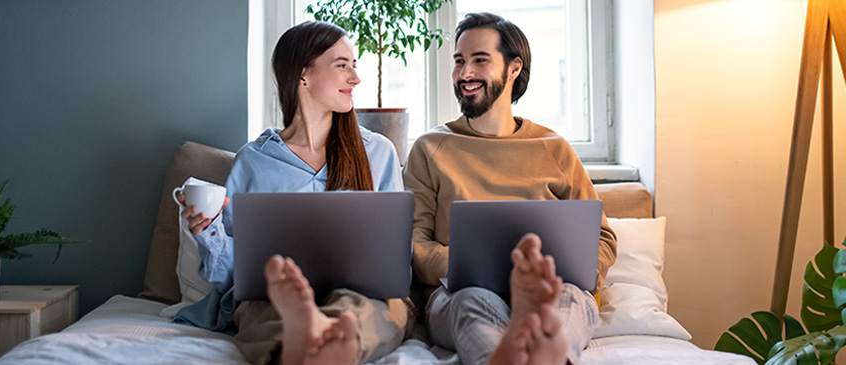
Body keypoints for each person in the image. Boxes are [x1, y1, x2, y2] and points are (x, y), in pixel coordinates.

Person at [171, 20, 409, 364]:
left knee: (358, 309)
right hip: (273, 295)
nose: (355, 78)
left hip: (361, 293)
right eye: (342, 66)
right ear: (302, 74)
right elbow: (238, 271)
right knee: (262, 310)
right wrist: (207, 231)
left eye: (354, 67)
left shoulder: (378, 152)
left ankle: (324, 343)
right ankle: (302, 339)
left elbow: (394, 258)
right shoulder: (254, 160)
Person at [404, 12, 618, 365]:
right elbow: (414, 242)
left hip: (550, 289)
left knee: (568, 298)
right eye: (459, 61)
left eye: (479, 60)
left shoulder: (555, 148)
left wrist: (552, 272)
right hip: (461, 291)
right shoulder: (430, 148)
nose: (465, 73)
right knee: (473, 300)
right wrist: (484, 268)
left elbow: (603, 238)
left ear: (514, 68)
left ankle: (548, 350)